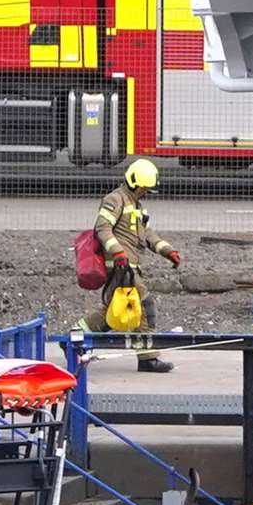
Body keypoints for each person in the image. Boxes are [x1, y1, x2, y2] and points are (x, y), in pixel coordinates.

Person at [78, 158, 180, 373]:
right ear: (136, 183)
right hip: (120, 267)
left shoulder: (137, 206)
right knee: (144, 306)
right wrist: (118, 252)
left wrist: (167, 250)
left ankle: (75, 337)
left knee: (115, 310)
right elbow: (102, 228)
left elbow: (148, 234)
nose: (146, 192)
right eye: (144, 188)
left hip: (128, 267)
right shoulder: (115, 200)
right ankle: (147, 359)